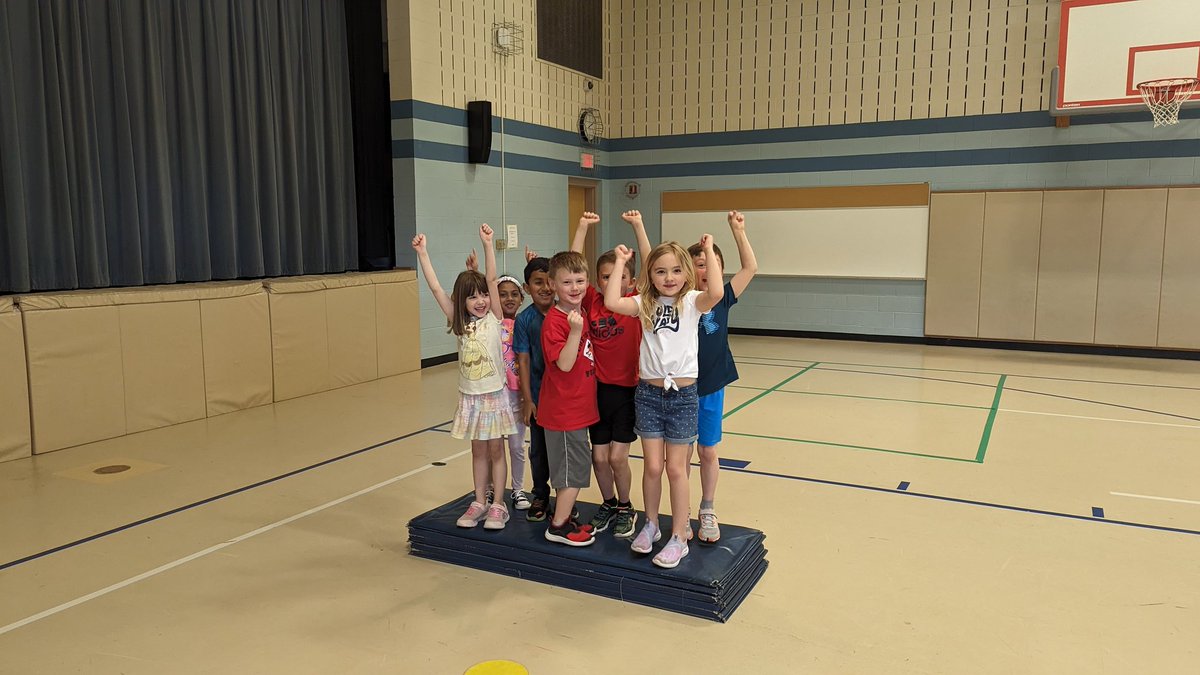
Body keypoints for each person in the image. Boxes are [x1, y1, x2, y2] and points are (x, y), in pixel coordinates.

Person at [603, 237, 724, 568]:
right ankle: (652, 524)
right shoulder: (644, 302)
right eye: (660, 271)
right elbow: (612, 301)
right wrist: (618, 262)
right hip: (649, 394)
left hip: (683, 397)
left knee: (675, 468)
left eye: (675, 270)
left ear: (685, 273)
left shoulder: (693, 302)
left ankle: (680, 536)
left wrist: (710, 252)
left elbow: (717, 293)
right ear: (650, 275)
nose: (668, 277)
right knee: (653, 467)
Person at [412, 225, 515, 530]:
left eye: (484, 295)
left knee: (497, 449)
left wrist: (487, 245)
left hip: (494, 396)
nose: (481, 300)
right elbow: (434, 288)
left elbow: (493, 279)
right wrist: (423, 254)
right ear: (462, 302)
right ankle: (480, 501)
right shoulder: (460, 323)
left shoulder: (495, 319)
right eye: (473, 297)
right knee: (477, 450)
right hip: (470, 397)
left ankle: (499, 504)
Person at [571, 211, 652, 539]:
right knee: (599, 456)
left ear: (630, 283)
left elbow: (649, 264)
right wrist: (581, 228)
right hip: (598, 391)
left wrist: (638, 226)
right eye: (604, 277)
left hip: (628, 392)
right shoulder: (591, 301)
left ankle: (625, 505)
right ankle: (607, 502)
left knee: (619, 457)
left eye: (618, 276)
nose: (610, 283)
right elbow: (574, 264)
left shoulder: (635, 303)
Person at [688, 210, 759, 544]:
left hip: (711, 387)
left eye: (711, 263)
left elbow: (750, 268)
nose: (706, 269)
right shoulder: (681, 302)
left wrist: (737, 231)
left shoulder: (724, 298)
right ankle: (678, 508)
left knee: (708, 451)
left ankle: (707, 507)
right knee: (679, 455)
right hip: (681, 389)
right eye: (699, 263)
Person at [539, 248, 601, 546]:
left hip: (577, 409)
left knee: (573, 466)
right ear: (552, 285)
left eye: (580, 281)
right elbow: (564, 364)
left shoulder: (577, 311)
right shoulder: (556, 321)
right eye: (566, 282)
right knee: (571, 472)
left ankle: (564, 515)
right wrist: (575, 331)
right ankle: (559, 526)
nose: (574, 288)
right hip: (564, 414)